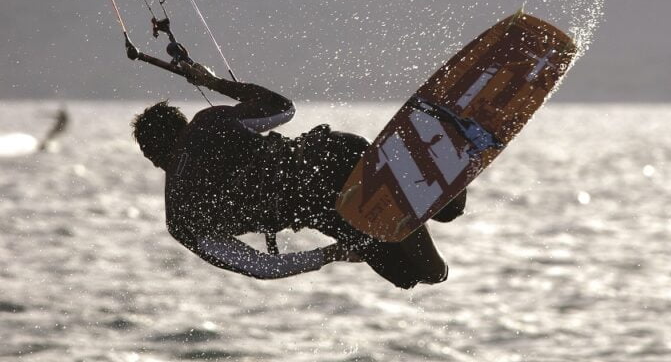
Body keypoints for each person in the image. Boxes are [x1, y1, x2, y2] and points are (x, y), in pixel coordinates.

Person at [130, 52, 467, 289]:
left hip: (331, 201)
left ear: (149, 158)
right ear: (181, 124)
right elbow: (283, 108)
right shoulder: (206, 124)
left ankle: (422, 173)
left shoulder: (180, 218)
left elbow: (262, 267)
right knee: (423, 253)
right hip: (335, 160)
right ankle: (423, 165)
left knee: (421, 275)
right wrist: (213, 82)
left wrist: (328, 255)